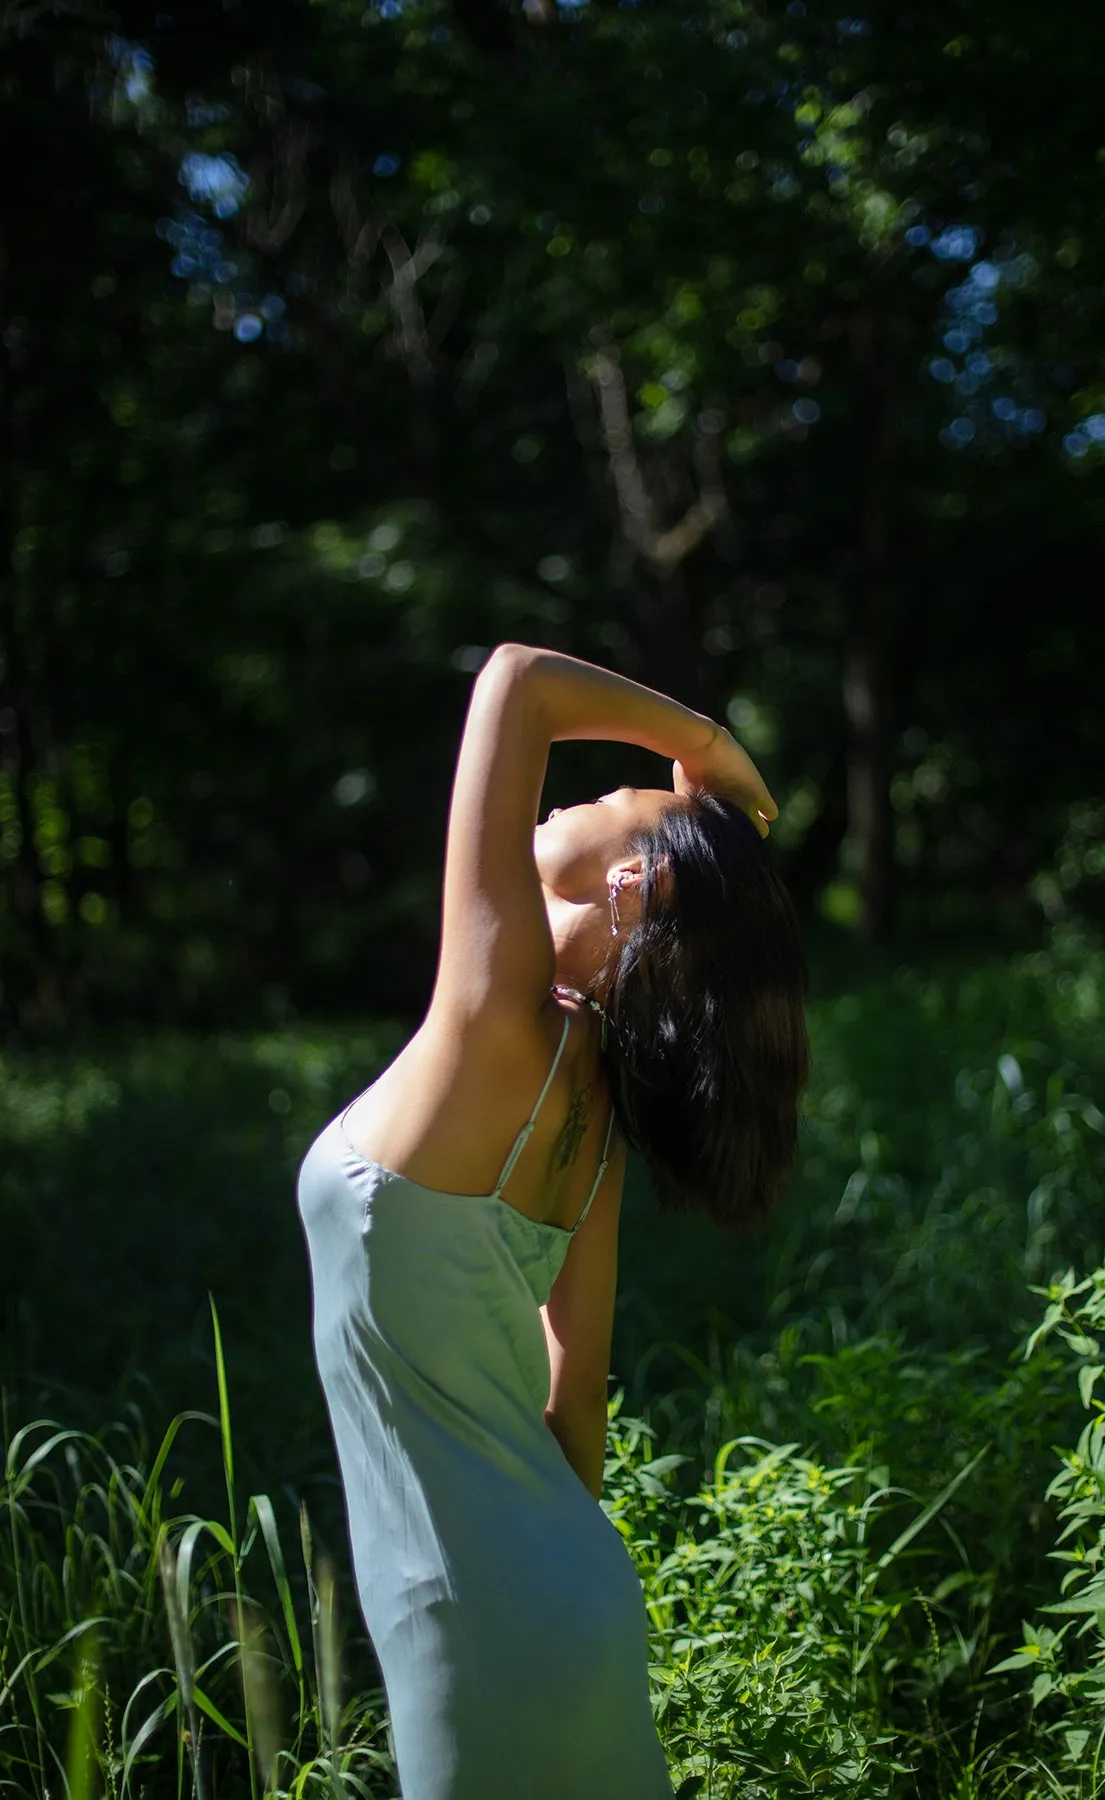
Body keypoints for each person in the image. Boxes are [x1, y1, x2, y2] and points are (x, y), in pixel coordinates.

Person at [296, 643, 809, 1800]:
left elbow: (517, 681)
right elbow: (575, 1414)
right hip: (575, 1596)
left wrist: (705, 746)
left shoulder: (493, 1021)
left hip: (468, 1621)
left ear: (637, 886)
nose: (581, 794)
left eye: (609, 799)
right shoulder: (597, 1107)